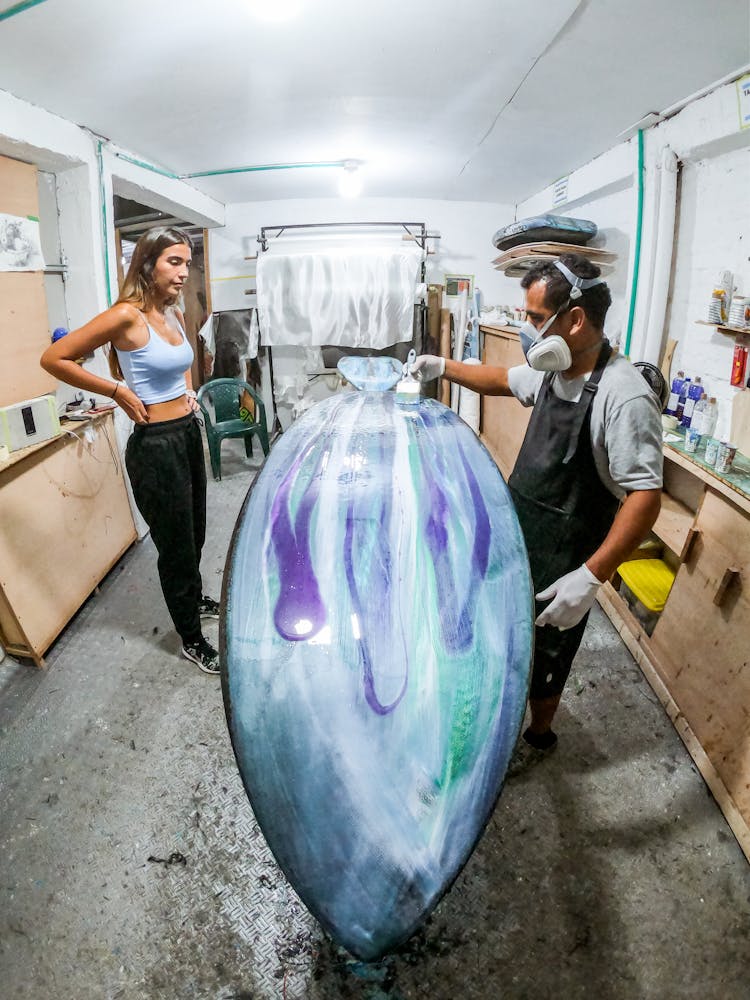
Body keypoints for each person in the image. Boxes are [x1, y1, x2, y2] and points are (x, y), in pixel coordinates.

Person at [410, 254, 663, 766]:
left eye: (532, 317)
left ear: (573, 318)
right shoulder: (554, 369)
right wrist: (442, 367)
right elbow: (501, 379)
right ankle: (498, 708)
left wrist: (592, 577)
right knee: (502, 628)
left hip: (568, 550)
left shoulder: (623, 393)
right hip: (520, 526)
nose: (526, 329)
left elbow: (645, 496)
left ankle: (539, 737)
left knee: (550, 651)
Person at [41, 226, 220, 675]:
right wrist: (117, 390)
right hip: (155, 448)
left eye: (187, 262)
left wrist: (189, 391)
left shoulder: (173, 314)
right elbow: (55, 358)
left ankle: (193, 597)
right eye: (173, 262)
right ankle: (191, 639)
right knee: (175, 545)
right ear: (147, 264)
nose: (184, 272)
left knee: (194, 532)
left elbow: (181, 364)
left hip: (184, 433)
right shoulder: (127, 316)